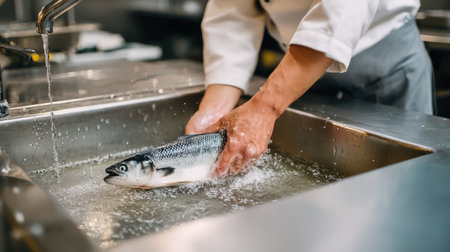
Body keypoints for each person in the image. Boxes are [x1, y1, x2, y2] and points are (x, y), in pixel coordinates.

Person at [185, 0, 433, 177]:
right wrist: (215, 108)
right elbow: (232, 16)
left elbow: (342, 9)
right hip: (305, 77)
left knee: (407, 183)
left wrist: (265, 107)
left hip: (388, 68)